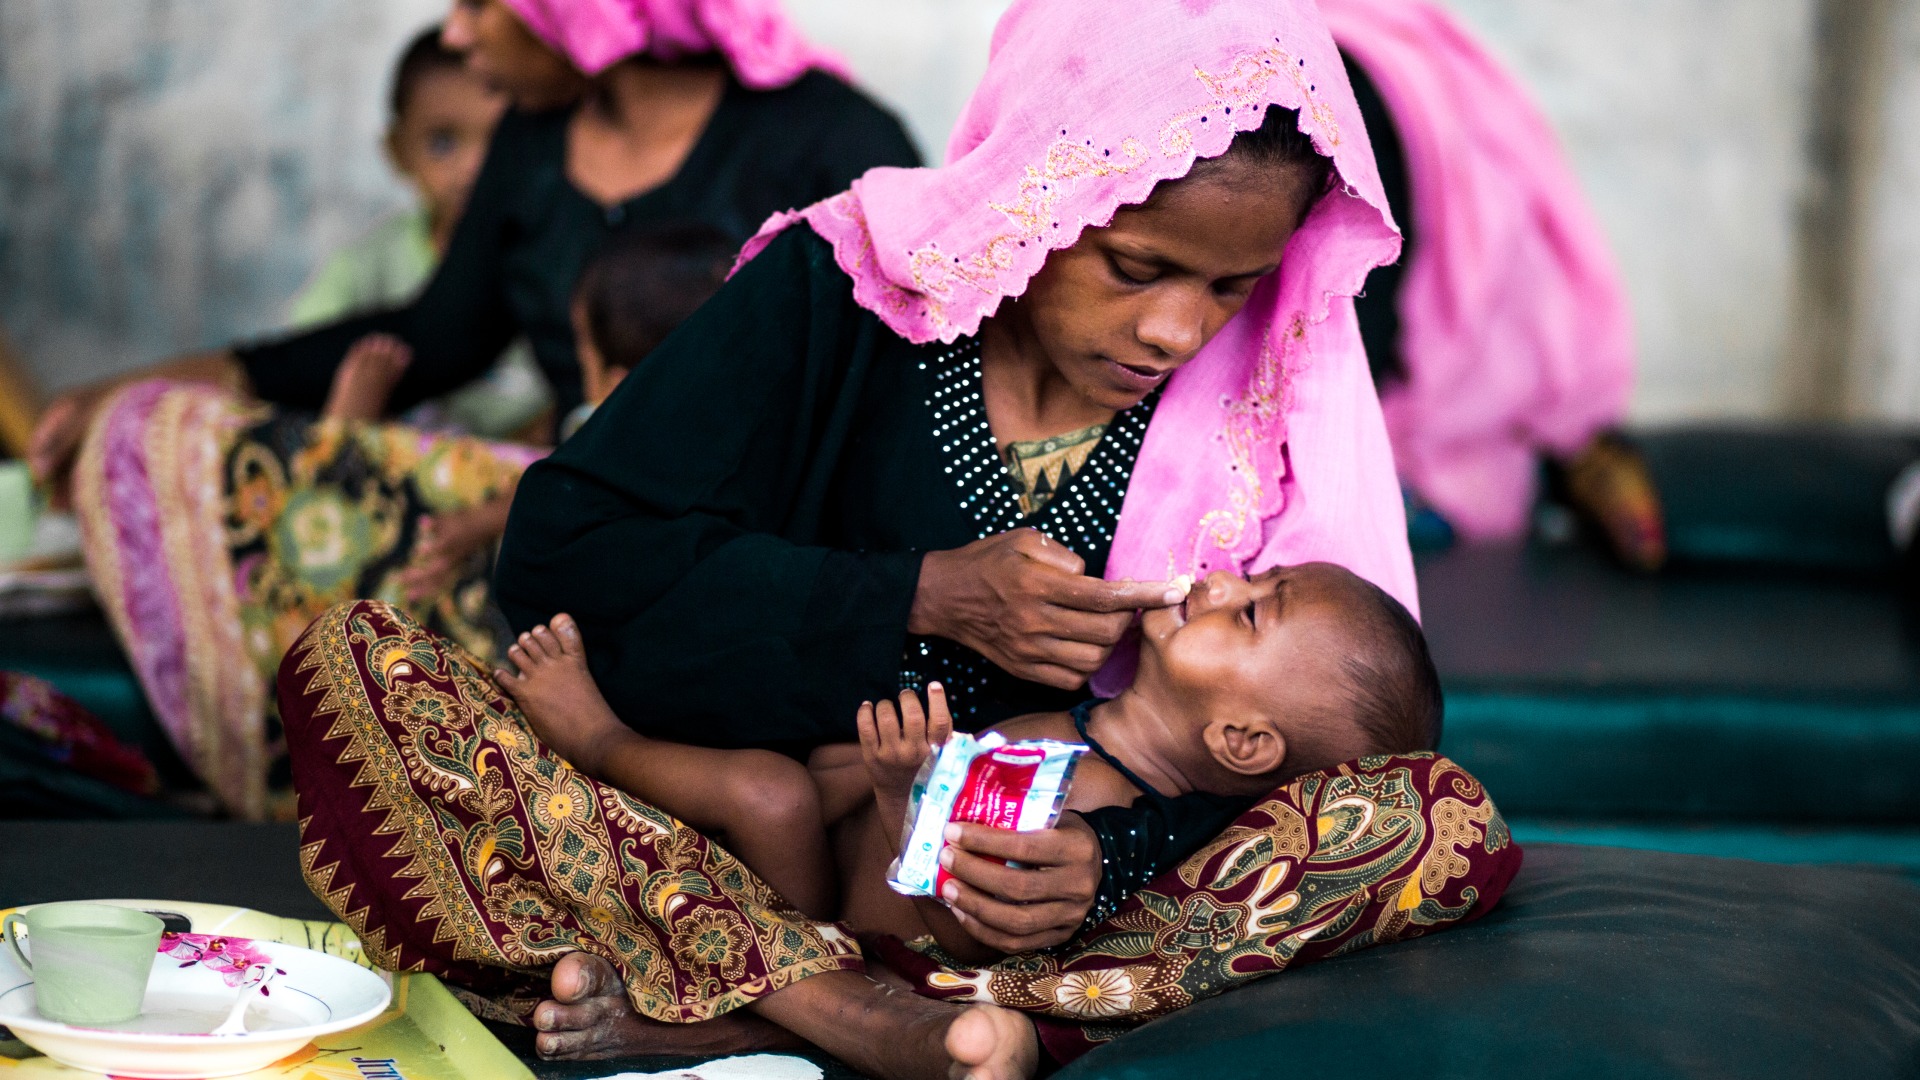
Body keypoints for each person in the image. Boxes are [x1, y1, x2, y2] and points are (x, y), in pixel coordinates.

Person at [281, 2, 1520, 1076]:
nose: (1177, 332)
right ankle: (839, 1007)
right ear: (1042, 186)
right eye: (1138, 265)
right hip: (715, 834)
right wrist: (916, 597)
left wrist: (1110, 853)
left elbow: (1330, 742)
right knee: (357, 669)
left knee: (1429, 817)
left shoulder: (1271, 385)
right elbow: (563, 557)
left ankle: (750, 1001)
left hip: (1058, 926)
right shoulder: (845, 287)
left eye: (1231, 287)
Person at [43, 0, 920, 819]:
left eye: (480, 4)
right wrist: (171, 384)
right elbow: (439, 333)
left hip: (746, 555)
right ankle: (410, 792)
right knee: (174, 432)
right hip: (560, 527)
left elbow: (893, 391)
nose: (459, 36)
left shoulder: (832, 137)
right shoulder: (535, 140)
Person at [493, 562, 1442, 942]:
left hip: (837, 936)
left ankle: (596, 737)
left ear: (1241, 740)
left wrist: (902, 800)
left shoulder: (1081, 811)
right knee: (806, 769)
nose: (1224, 579)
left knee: (769, 792)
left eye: (1250, 612)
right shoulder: (1077, 722)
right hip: (816, 861)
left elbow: (903, 935)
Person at [1322, 0, 1664, 568]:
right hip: (1491, 436)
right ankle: (1574, 455)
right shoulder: (1417, 47)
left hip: (1387, 441)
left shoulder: (1324, 67)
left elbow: (1354, 324)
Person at [322, 224, 736, 602]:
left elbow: (559, 488)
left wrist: (475, 522)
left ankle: (342, 445)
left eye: (583, 349)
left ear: (619, 385)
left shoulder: (609, 450)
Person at [290, 26, 551, 441]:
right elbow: (301, 377)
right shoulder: (362, 270)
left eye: (502, 140)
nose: (476, 166)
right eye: (443, 142)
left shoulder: (554, 263)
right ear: (398, 151)